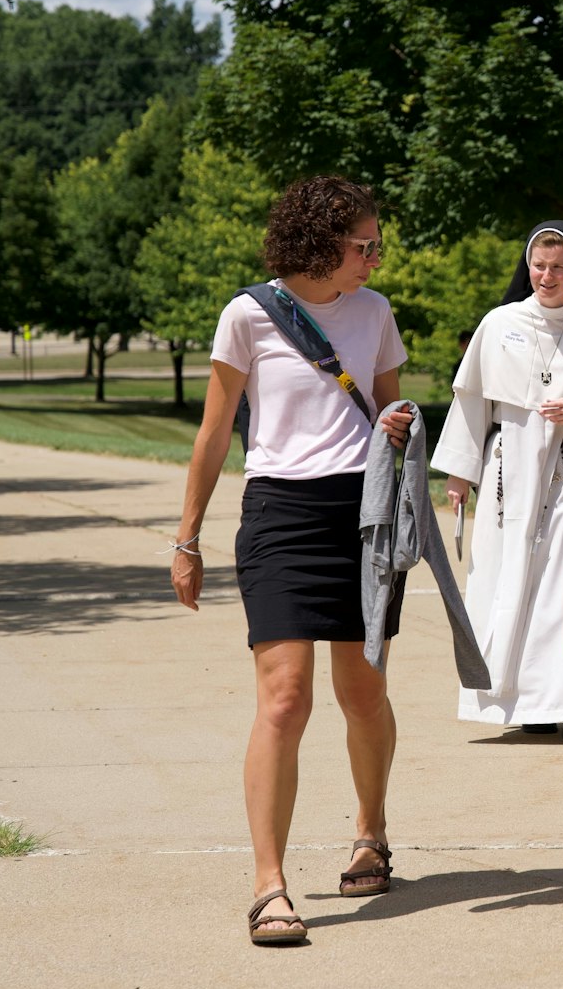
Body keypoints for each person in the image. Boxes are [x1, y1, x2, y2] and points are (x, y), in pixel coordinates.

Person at [169, 175, 416, 946]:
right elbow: (214, 433)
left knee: (363, 691)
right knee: (284, 698)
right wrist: (187, 536)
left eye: (377, 244)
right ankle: (268, 884)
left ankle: (370, 829)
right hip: (279, 512)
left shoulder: (375, 313)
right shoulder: (249, 313)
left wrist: (400, 424)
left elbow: (383, 412)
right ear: (319, 243)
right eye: (362, 245)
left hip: (363, 516)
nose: (374, 258)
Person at [430, 221, 563, 741]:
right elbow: (472, 400)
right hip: (508, 473)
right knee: (508, 578)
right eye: (539, 266)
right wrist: (459, 473)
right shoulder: (498, 324)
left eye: (559, 267)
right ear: (528, 267)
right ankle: (531, 704)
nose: (548, 276)